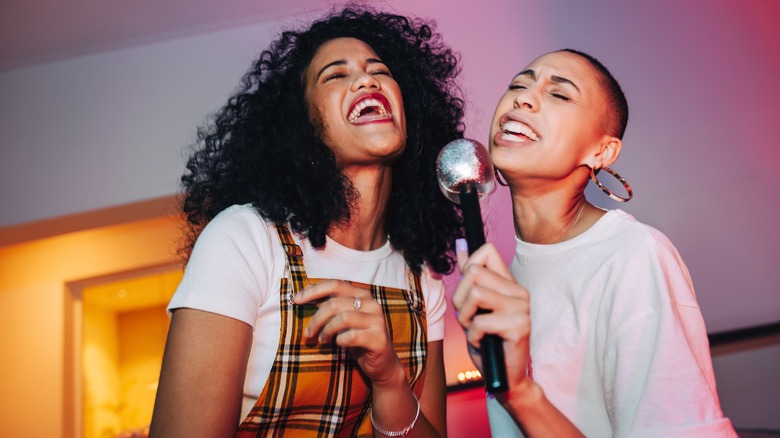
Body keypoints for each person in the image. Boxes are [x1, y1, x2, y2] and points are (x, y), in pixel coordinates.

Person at [148, 5, 465, 437]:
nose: (367, 79)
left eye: (380, 71)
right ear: (304, 126)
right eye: (336, 75)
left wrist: (389, 379)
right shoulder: (244, 239)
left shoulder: (419, 276)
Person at [452, 48, 737, 437]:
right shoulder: (506, 279)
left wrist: (519, 391)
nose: (523, 97)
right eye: (519, 84)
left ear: (602, 151)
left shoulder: (633, 256)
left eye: (560, 94)